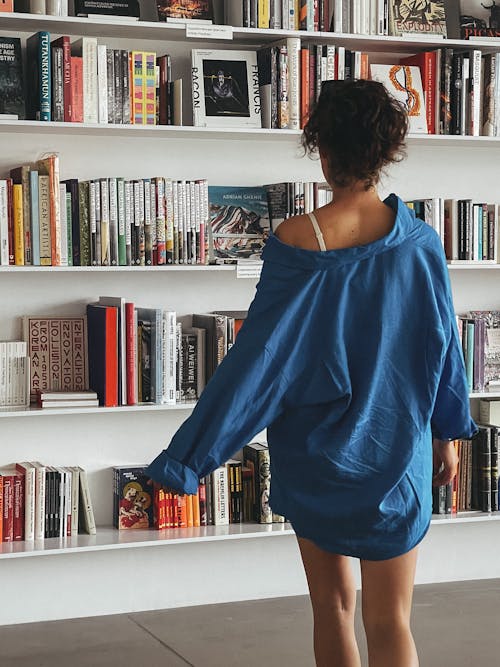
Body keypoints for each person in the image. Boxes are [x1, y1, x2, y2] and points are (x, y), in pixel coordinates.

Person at [146, 79, 476, 667]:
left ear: (322, 151)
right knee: (391, 620)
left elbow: (256, 366)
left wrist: (189, 458)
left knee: (332, 610)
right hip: (397, 449)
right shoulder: (422, 243)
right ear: (388, 151)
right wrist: (448, 434)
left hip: (313, 456)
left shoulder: (295, 241)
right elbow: (443, 351)